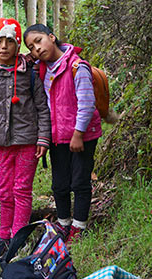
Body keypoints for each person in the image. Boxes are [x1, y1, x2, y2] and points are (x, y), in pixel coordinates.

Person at [0, 18, 51, 262]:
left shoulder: (29, 72)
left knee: (22, 190)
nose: (4, 47)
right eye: (0, 42)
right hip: (2, 144)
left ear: (18, 45)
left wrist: (42, 138)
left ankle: (18, 240)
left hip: (28, 141)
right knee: (5, 191)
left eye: (10, 42)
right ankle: (4, 237)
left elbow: (42, 107)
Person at [23, 24, 102, 244]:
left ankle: (79, 225)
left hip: (82, 137)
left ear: (52, 36)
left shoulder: (77, 66)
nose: (36, 49)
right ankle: (64, 222)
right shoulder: (41, 69)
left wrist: (78, 134)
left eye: (39, 41)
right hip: (58, 137)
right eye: (31, 47)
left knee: (80, 181)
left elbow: (86, 103)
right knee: (59, 184)